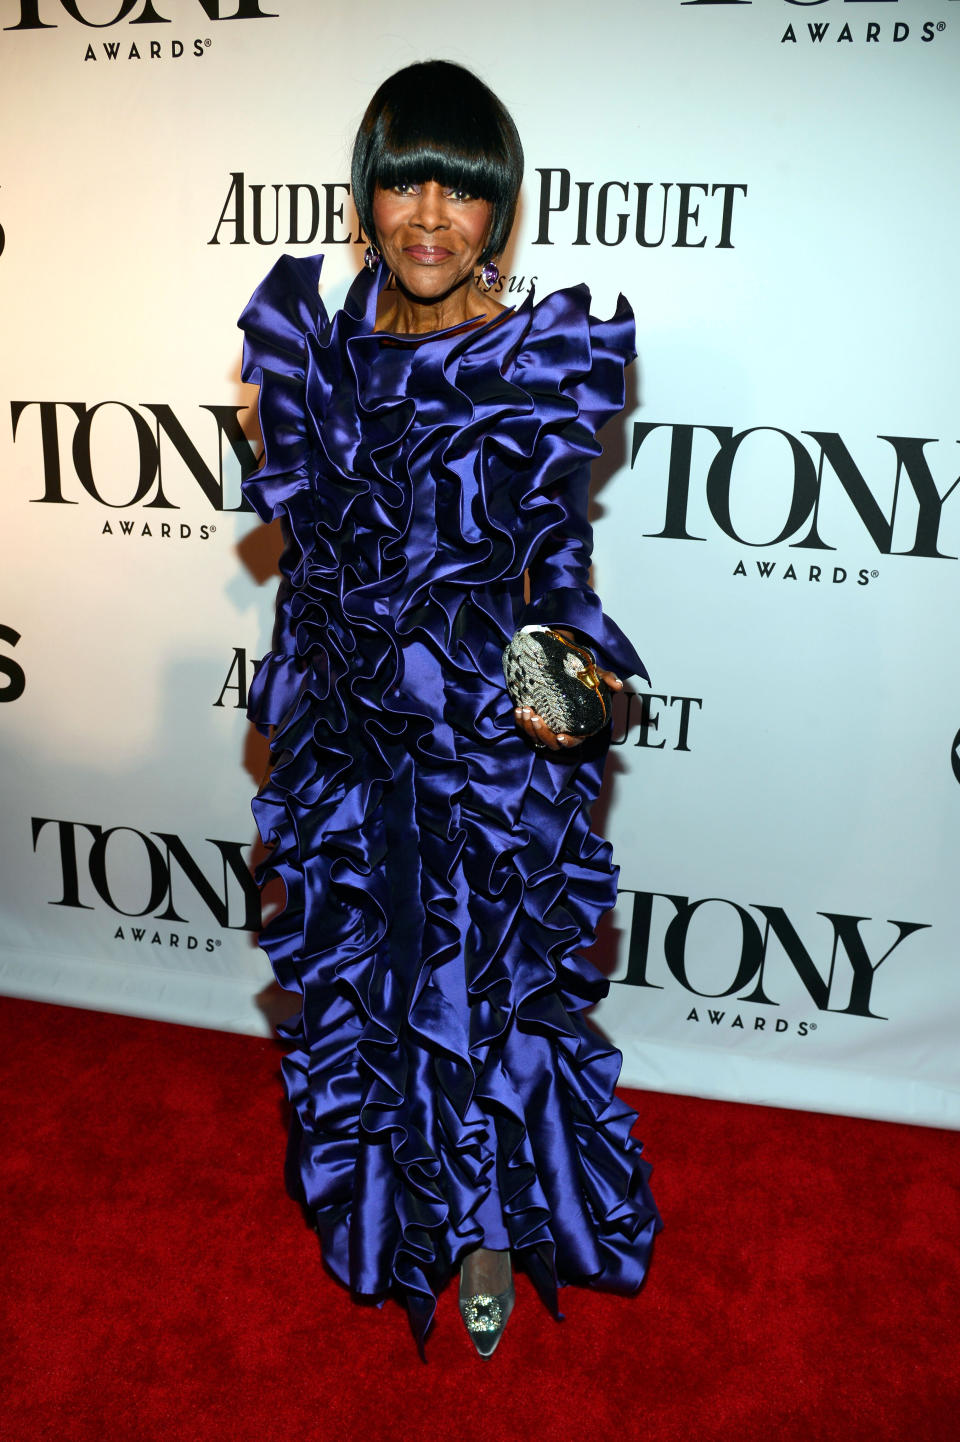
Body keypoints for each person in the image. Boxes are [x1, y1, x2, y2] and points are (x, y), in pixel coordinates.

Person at [238, 59, 660, 1360]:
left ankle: (482, 1228)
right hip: (348, 742)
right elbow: (306, 558)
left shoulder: (535, 365)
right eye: (403, 182)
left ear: (505, 211)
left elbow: (565, 571)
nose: (429, 214)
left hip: (478, 744)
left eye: (461, 191)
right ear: (363, 196)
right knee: (368, 987)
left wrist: (572, 677)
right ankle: (389, 1209)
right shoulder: (308, 352)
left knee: (480, 995)